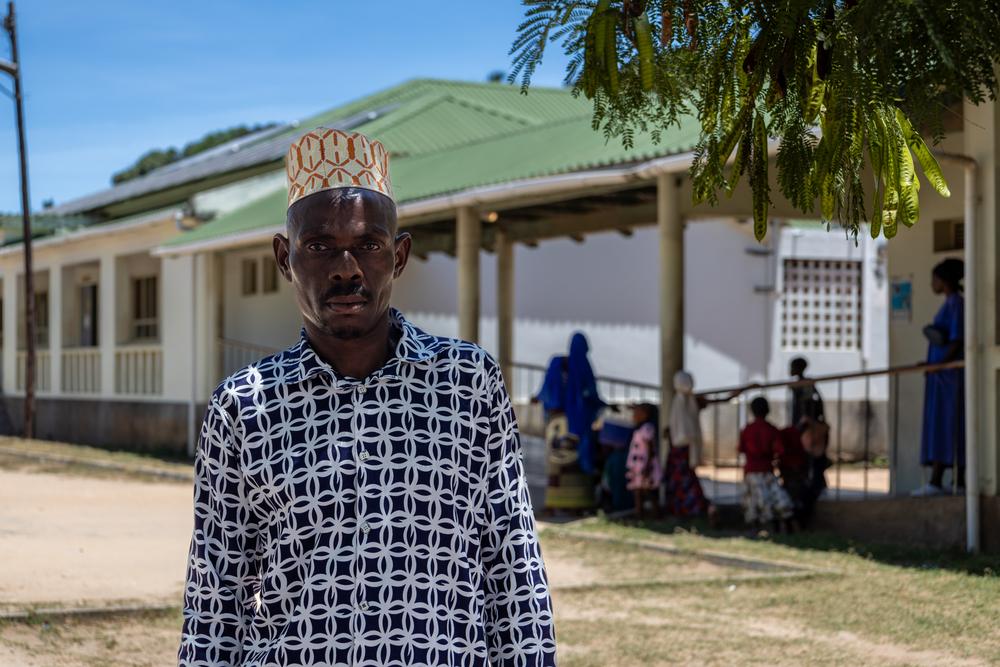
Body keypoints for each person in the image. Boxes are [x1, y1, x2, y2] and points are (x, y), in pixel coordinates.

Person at [178, 128, 556, 666]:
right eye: (320, 247)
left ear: (398, 256)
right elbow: (216, 598)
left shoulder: (468, 384)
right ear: (285, 258)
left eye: (368, 246)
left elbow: (513, 568)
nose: (346, 269)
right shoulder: (243, 407)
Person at [534, 332, 607, 512]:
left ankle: (554, 504)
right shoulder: (582, 366)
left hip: (555, 426)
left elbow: (546, 394)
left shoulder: (556, 365)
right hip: (578, 426)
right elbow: (590, 394)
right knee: (576, 462)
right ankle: (578, 504)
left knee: (557, 464)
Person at [913, 258, 966, 497]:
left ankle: (940, 479)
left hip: (949, 378)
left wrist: (939, 365)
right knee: (941, 423)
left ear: (943, 281)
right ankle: (950, 478)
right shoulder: (948, 304)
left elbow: (956, 341)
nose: (931, 284)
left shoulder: (957, 304)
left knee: (947, 424)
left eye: (934, 279)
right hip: (941, 375)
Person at [662, 371, 715, 519]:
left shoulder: (687, 401)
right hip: (683, 448)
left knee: (683, 479)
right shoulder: (685, 401)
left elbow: (682, 430)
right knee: (685, 479)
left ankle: (692, 509)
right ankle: (694, 508)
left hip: (681, 448)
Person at [739, 397, 794, 530]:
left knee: (753, 501)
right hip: (766, 471)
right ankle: (781, 527)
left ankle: (755, 527)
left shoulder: (747, 430)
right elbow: (780, 450)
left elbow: (741, 449)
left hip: (751, 472)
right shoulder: (771, 430)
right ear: (767, 410)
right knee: (775, 499)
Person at [788, 357, 830, 515]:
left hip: (808, 428)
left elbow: (811, 406)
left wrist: (806, 425)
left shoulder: (805, 386)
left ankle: (817, 486)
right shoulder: (801, 385)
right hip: (806, 426)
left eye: (793, 366)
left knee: (813, 459)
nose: (790, 369)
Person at [625, 403, 663, 519]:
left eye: (637, 412)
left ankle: (656, 514)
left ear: (646, 415)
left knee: (648, 490)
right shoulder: (639, 428)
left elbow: (650, 448)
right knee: (638, 490)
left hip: (645, 464)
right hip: (638, 465)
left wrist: (647, 466)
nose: (634, 415)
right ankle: (639, 514)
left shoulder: (647, 428)